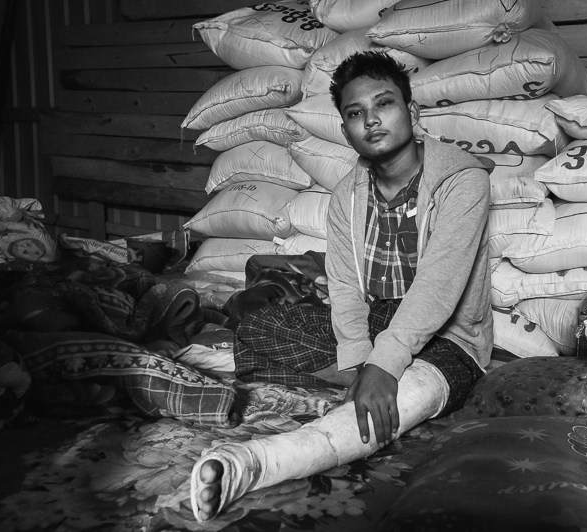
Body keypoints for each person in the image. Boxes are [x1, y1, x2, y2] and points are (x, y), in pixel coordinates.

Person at [190, 51, 494, 522]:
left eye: (384, 104)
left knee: (415, 388)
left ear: (411, 113)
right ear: (345, 128)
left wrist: (385, 366)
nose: (371, 120)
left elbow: (438, 288)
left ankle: (255, 463)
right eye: (355, 113)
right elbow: (347, 286)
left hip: (449, 335)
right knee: (259, 327)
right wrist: (359, 360)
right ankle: (360, 389)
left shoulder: (462, 181)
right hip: (380, 322)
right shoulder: (345, 198)